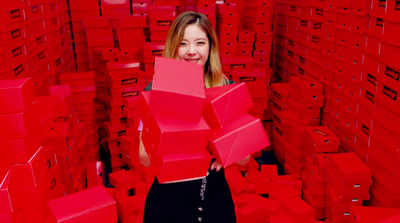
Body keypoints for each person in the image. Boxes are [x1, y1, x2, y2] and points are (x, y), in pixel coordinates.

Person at [139, 11, 249, 223]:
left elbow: (244, 160)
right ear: (174, 47)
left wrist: (226, 150)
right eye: (183, 44)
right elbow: (144, 159)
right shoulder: (155, 90)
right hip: (167, 202)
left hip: (214, 201)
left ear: (210, 47)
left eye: (200, 42)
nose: (191, 51)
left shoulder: (227, 89)